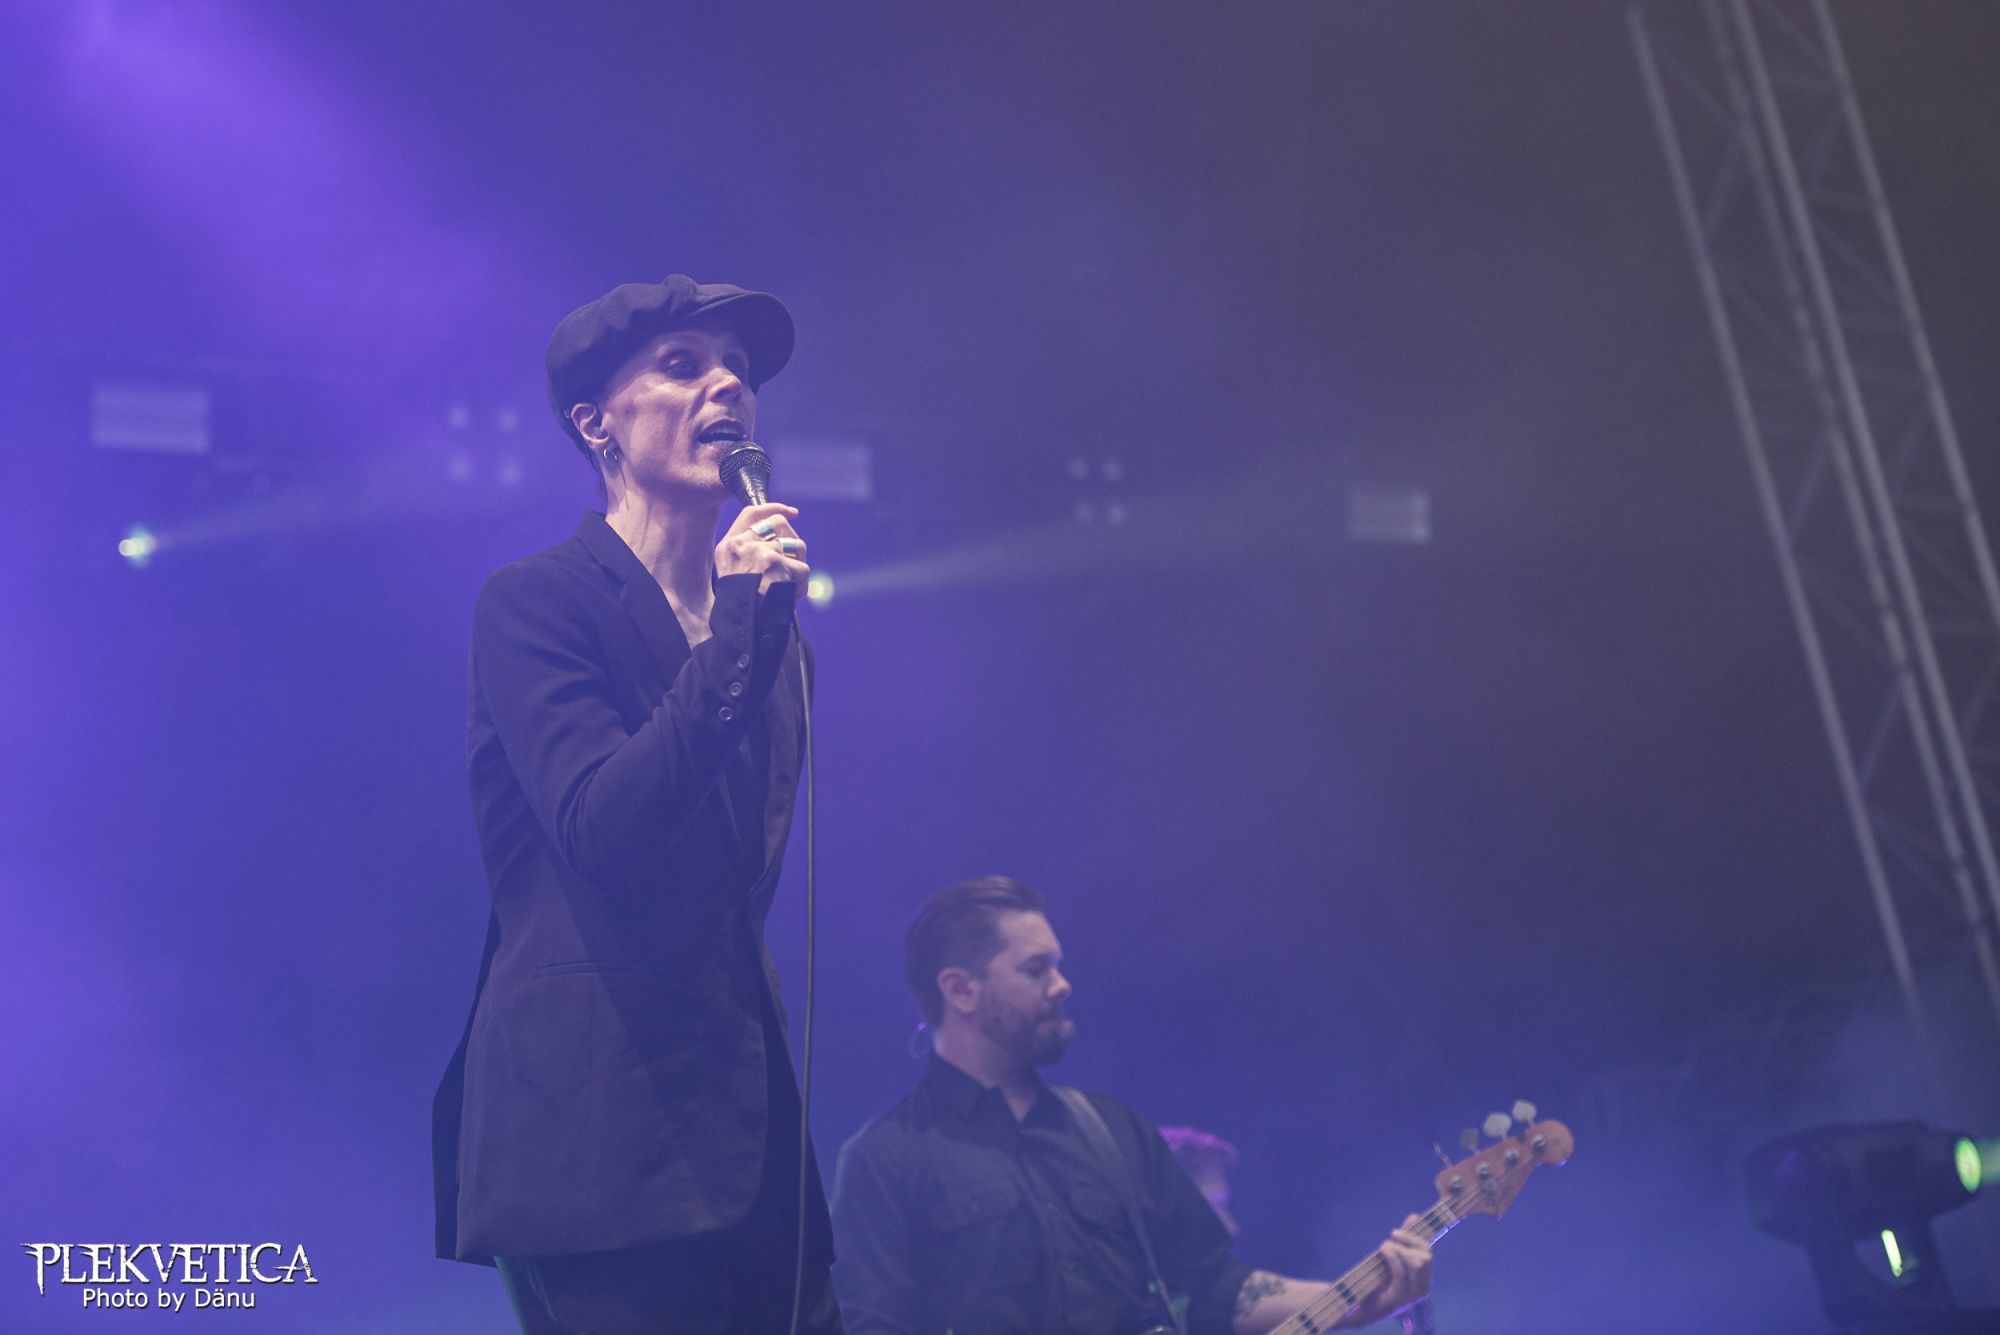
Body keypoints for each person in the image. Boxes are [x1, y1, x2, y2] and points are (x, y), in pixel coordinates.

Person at [431, 275, 840, 1334]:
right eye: (682, 366)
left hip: (745, 1138)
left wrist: (747, 632)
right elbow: (604, 831)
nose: (727, 386)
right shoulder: (538, 602)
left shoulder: (773, 645)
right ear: (595, 423)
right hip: (598, 1137)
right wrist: (738, 631)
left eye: (737, 371)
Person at [830, 876, 1432, 1335]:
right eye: (1036, 970)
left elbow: (1214, 1284)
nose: (1062, 985)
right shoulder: (886, 1159)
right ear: (961, 989)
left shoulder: (1110, 1130)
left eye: (1058, 966)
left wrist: (1356, 1300)